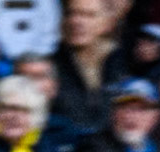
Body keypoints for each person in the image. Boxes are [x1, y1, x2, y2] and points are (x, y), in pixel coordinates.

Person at [51, 0, 128, 138]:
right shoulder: (49, 67)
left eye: (88, 15)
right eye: (71, 13)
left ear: (108, 23)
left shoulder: (125, 65)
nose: (76, 21)